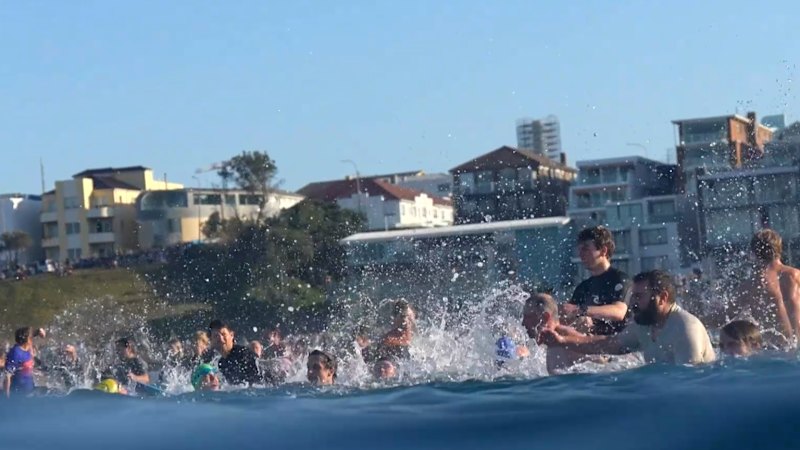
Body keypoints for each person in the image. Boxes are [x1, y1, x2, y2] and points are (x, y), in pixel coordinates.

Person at [541, 270, 716, 365]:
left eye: (639, 297)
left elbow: (690, 385)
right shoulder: (645, 326)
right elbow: (608, 344)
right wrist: (563, 341)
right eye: (632, 296)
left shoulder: (685, 329)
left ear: (662, 298)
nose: (632, 303)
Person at [731, 229, 800, 346]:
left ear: (754, 252)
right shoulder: (796, 275)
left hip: (777, 351)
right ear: (779, 248)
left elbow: (723, 317)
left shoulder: (751, 285)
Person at [562, 226, 629, 335]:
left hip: (619, 342)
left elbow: (619, 312)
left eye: (585, 249)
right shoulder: (583, 287)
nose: (581, 254)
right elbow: (568, 316)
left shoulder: (620, 280)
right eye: (579, 249)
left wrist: (581, 310)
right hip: (591, 342)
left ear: (603, 251)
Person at [522, 293, 596, 374]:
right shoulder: (547, 341)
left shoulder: (564, 338)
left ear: (544, 317)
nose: (523, 323)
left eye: (528, 317)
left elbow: (599, 361)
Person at [207, 320, 261, 386]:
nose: (220, 339)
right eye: (216, 336)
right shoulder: (221, 363)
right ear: (211, 341)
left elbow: (256, 382)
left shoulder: (243, 354)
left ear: (231, 335)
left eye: (223, 334)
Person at [3, 327, 45, 397]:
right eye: (30, 337)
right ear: (27, 339)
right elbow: (7, 376)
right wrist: (6, 397)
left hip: (30, 389)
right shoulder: (16, 353)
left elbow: (32, 334)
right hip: (20, 392)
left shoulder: (27, 347)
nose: (32, 338)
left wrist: (39, 331)